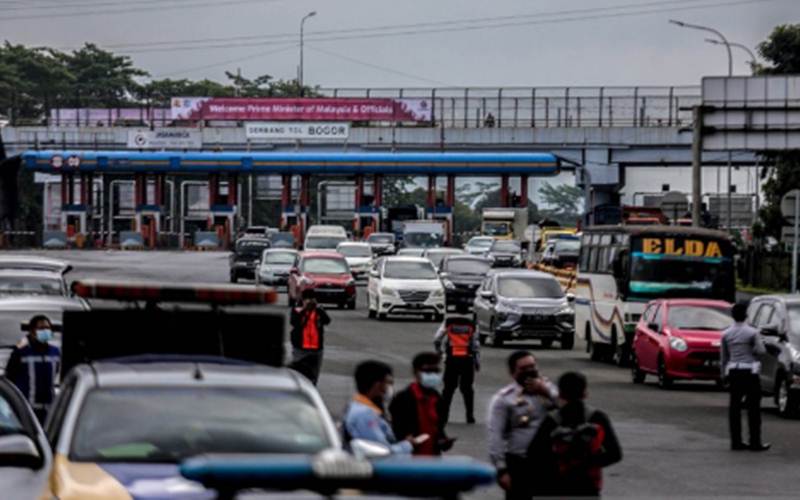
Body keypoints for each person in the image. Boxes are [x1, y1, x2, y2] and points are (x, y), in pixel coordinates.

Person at [528, 371, 622, 498]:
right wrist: (587, 463)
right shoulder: (597, 417)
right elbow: (615, 454)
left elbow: (534, 453)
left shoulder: (552, 420)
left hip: (555, 487)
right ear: (585, 393)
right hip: (587, 487)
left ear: (560, 393)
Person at [487, 350, 558, 500]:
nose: (530, 371)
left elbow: (569, 408)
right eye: (523, 369)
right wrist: (501, 470)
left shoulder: (550, 389)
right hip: (520, 463)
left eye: (532, 366)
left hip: (549, 462)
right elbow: (495, 435)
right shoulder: (504, 399)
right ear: (513, 373)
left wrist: (544, 391)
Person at [721, 302, 770, 451]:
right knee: (753, 408)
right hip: (749, 371)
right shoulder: (752, 333)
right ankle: (755, 442)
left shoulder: (726, 334)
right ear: (746, 315)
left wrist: (723, 375)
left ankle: (736, 442)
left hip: (734, 371)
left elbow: (724, 357)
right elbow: (761, 351)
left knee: (734, 408)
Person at [389, 352, 455, 456]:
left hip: (432, 459)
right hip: (408, 459)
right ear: (416, 372)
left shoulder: (438, 399)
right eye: (428, 371)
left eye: (436, 371)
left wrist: (443, 441)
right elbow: (395, 430)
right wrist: (405, 438)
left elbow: (439, 428)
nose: (433, 375)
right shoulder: (403, 398)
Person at [343, 360, 414, 455]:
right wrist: (407, 445)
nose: (390, 388)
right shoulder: (365, 415)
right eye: (388, 383)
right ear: (377, 385)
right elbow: (382, 451)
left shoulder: (359, 407)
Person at [5, 315, 61, 422]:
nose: (45, 331)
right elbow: (10, 379)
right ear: (32, 331)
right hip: (27, 411)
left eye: (47, 328)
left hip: (48, 412)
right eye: (41, 328)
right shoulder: (21, 353)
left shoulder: (55, 352)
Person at [433, 310, 480, 424]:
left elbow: (437, 338)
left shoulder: (448, 322)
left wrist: (439, 351)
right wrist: (477, 361)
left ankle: (444, 416)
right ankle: (470, 416)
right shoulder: (471, 324)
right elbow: (475, 344)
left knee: (448, 389)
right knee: (467, 389)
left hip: (452, 359)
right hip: (467, 359)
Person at [289, 289, 330, 385]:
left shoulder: (318, 310)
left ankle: (311, 391)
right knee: (299, 374)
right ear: (303, 300)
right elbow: (294, 323)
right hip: (301, 348)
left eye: (312, 299)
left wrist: (319, 310)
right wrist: (304, 310)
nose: (310, 301)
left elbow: (327, 321)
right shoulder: (297, 310)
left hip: (316, 349)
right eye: (308, 299)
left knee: (314, 376)